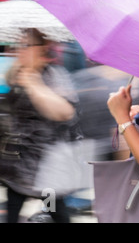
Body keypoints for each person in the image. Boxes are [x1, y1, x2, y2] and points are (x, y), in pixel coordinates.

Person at [1, 28, 81, 223]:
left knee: (56, 214)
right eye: (18, 46)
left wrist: (34, 84)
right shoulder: (12, 75)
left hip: (47, 171)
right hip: (17, 168)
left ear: (42, 48)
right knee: (12, 215)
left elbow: (66, 112)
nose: (20, 51)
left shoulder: (54, 75)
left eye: (26, 46)